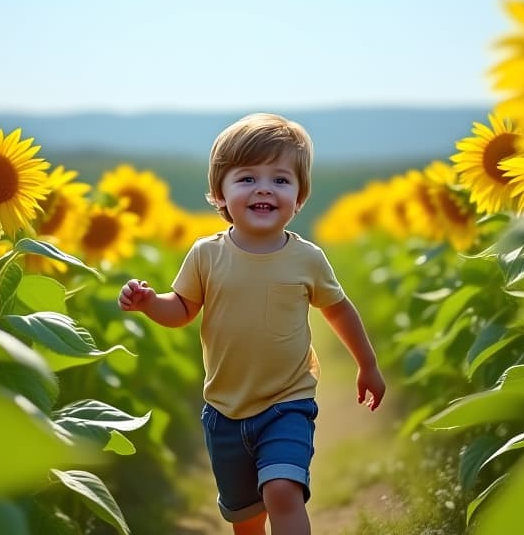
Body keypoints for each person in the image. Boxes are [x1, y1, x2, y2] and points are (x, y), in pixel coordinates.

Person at [118, 112, 386, 535]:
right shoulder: (206, 254)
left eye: (280, 180)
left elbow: (338, 309)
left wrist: (367, 364)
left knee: (282, 490)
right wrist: (151, 303)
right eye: (247, 179)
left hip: (287, 403)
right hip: (224, 411)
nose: (264, 188)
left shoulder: (307, 259)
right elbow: (182, 310)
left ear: (300, 197)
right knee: (246, 519)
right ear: (219, 194)